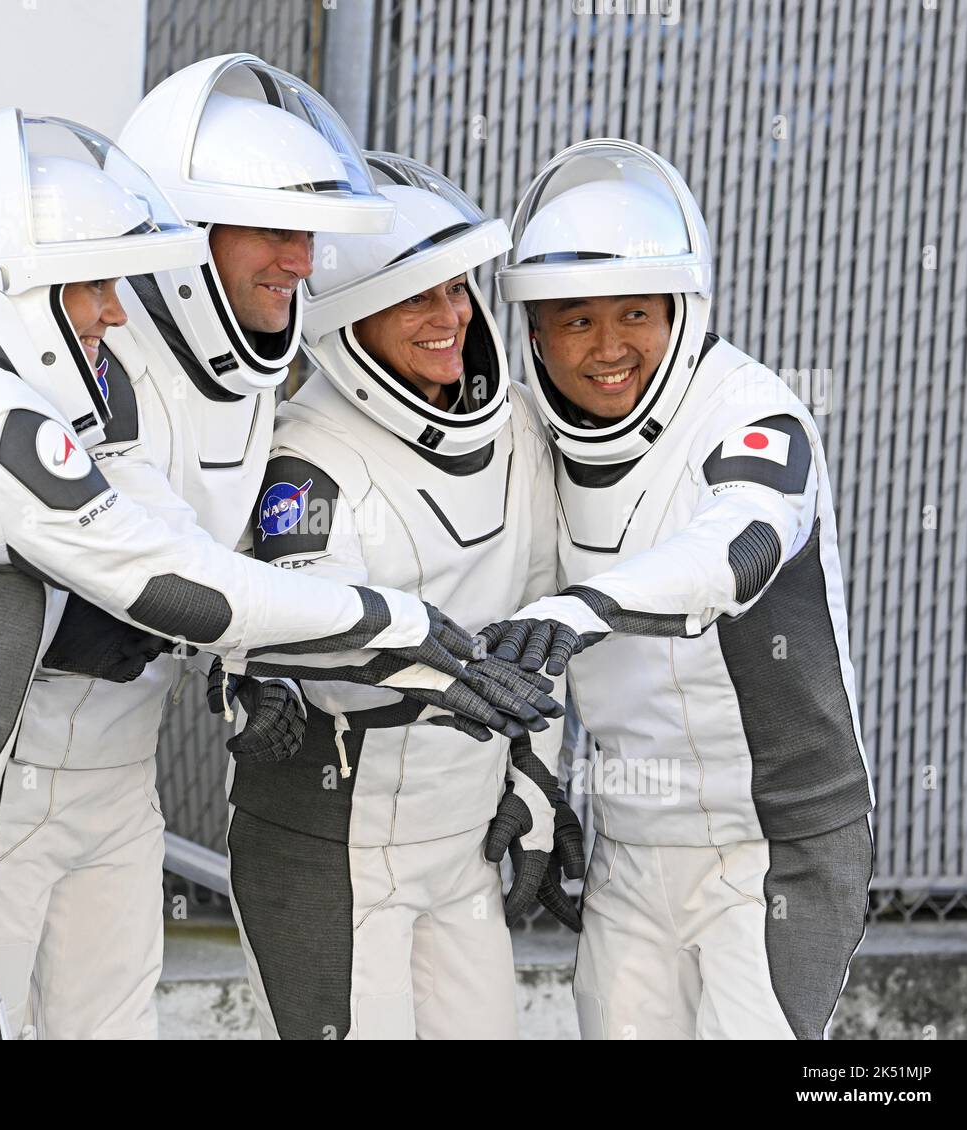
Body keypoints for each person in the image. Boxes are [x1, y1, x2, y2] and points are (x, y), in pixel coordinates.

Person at [0, 110, 552, 1040]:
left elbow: (176, 546)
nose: (115, 309)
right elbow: (190, 587)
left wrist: (258, 662)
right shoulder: (1, 426)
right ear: (15, 288)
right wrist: (406, 628)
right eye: (90, 286)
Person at [0, 54, 409, 1041]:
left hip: (126, 775)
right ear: (185, 236)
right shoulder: (87, 360)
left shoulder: (249, 383)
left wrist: (252, 678)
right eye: (272, 231)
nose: (300, 263)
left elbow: (229, 561)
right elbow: (148, 569)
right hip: (5, 772)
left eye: (307, 234)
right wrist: (394, 633)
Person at [485, 138, 875, 1040]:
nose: (608, 347)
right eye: (574, 320)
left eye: (634, 313)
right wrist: (542, 791)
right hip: (631, 842)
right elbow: (520, 620)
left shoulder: (753, 411)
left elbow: (736, 543)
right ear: (535, 330)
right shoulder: (538, 432)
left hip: (773, 846)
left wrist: (586, 608)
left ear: (682, 308)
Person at [227, 154, 573, 1040]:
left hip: (459, 846)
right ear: (347, 325)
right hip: (332, 852)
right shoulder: (307, 459)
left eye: (459, 289)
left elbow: (544, 617)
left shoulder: (519, 432)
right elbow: (306, 626)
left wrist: (536, 776)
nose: (452, 316)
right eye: (417, 297)